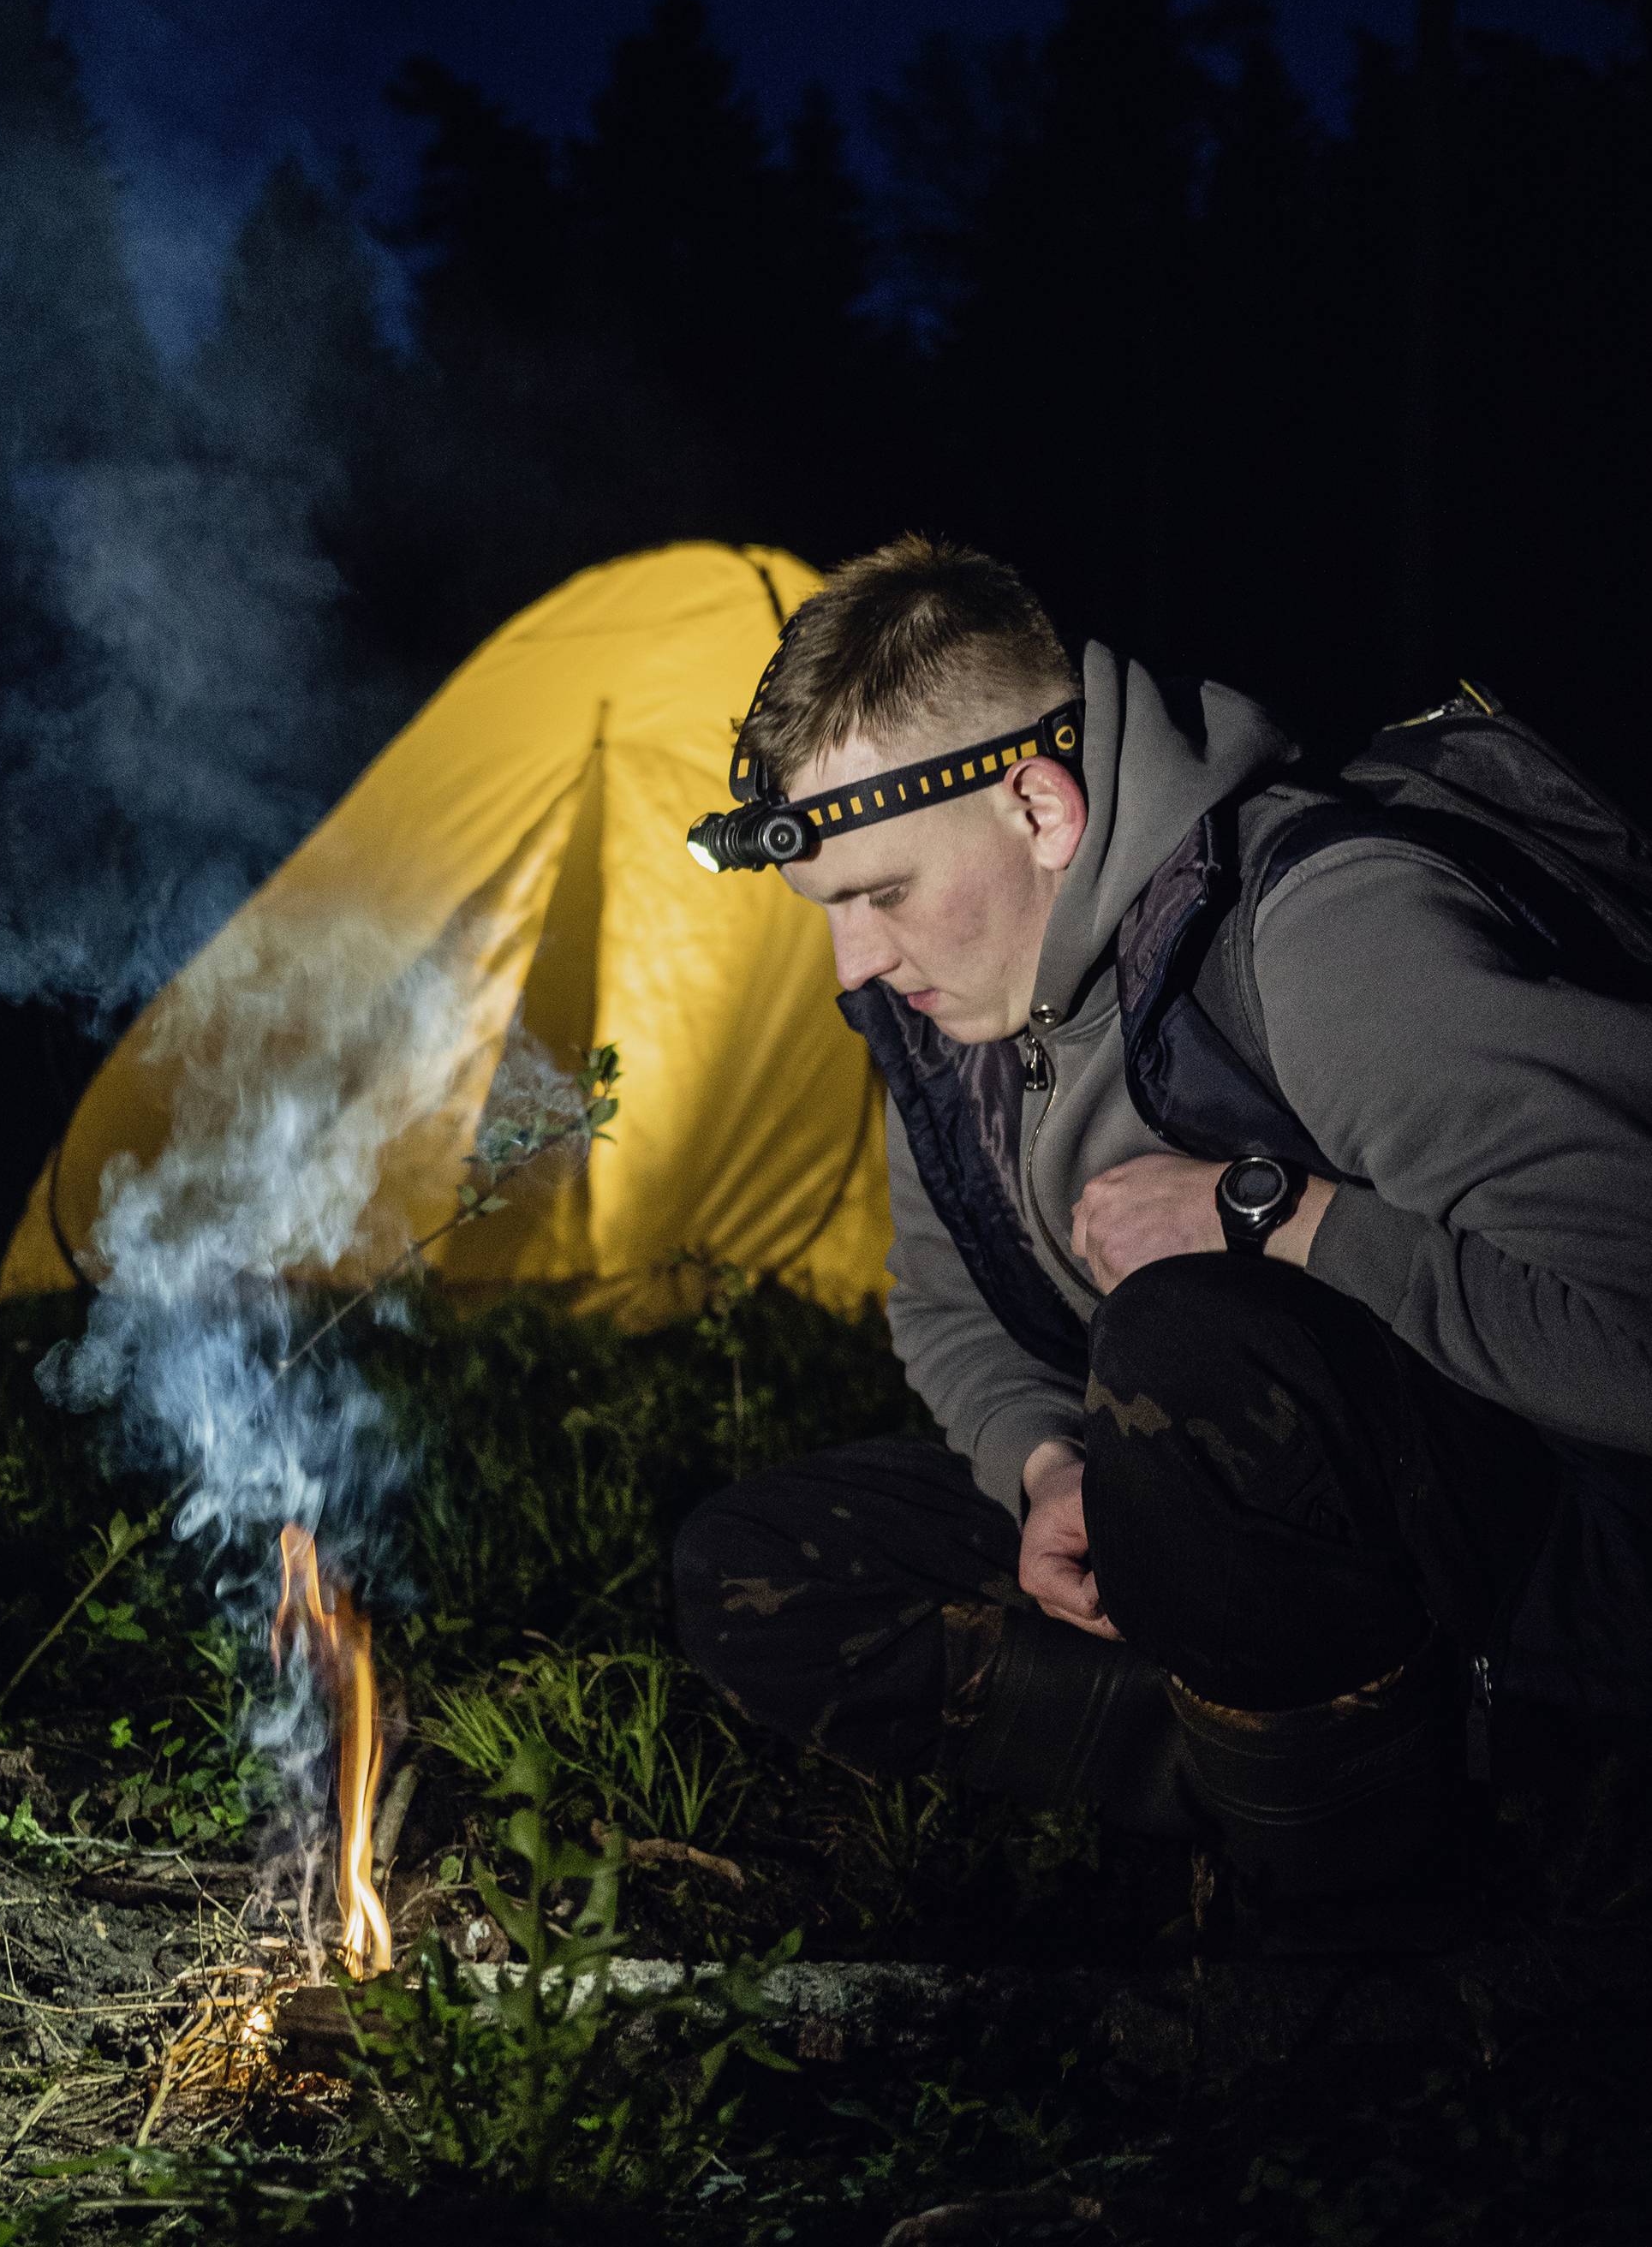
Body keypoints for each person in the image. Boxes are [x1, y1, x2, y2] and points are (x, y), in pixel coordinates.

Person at [672, 533, 1652, 1906]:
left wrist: (1277, 1215)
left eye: (882, 893)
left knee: (1181, 1340)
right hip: (1238, 1533)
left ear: (1039, 808)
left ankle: (1379, 1890)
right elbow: (941, 1304)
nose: (859, 958)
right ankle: (1305, 1772)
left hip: (1539, 1565)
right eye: (828, 908)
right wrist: (1044, 1467)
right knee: (757, 1570)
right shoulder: (955, 1006)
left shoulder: (1325, 934)